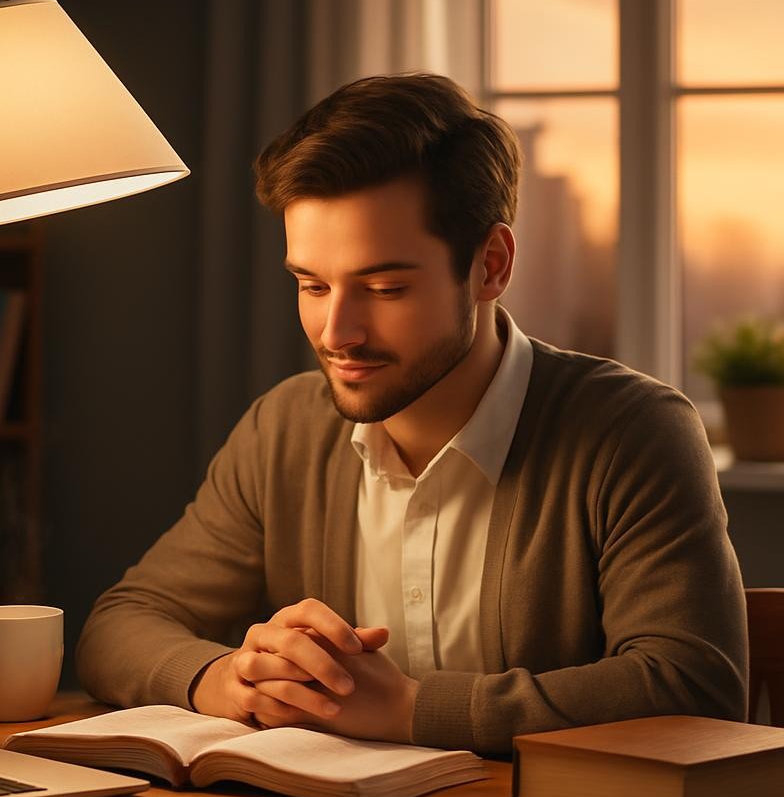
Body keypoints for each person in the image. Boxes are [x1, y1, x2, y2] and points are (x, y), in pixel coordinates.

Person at [76, 74, 747, 755]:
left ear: (491, 265)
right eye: (311, 284)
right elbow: (121, 624)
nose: (336, 331)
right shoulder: (283, 430)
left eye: (384, 287)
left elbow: (693, 684)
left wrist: (410, 710)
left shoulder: (633, 432)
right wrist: (230, 680)